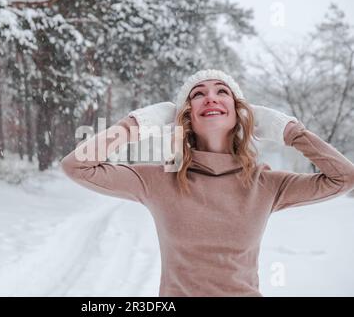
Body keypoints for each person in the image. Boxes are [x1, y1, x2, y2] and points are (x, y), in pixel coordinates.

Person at [60, 69, 354, 296]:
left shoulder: (265, 183)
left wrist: (288, 129)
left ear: (240, 113)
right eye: (198, 94)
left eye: (222, 92)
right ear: (186, 116)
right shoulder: (159, 180)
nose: (210, 97)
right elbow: (77, 166)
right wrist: (136, 124)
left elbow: (343, 177)